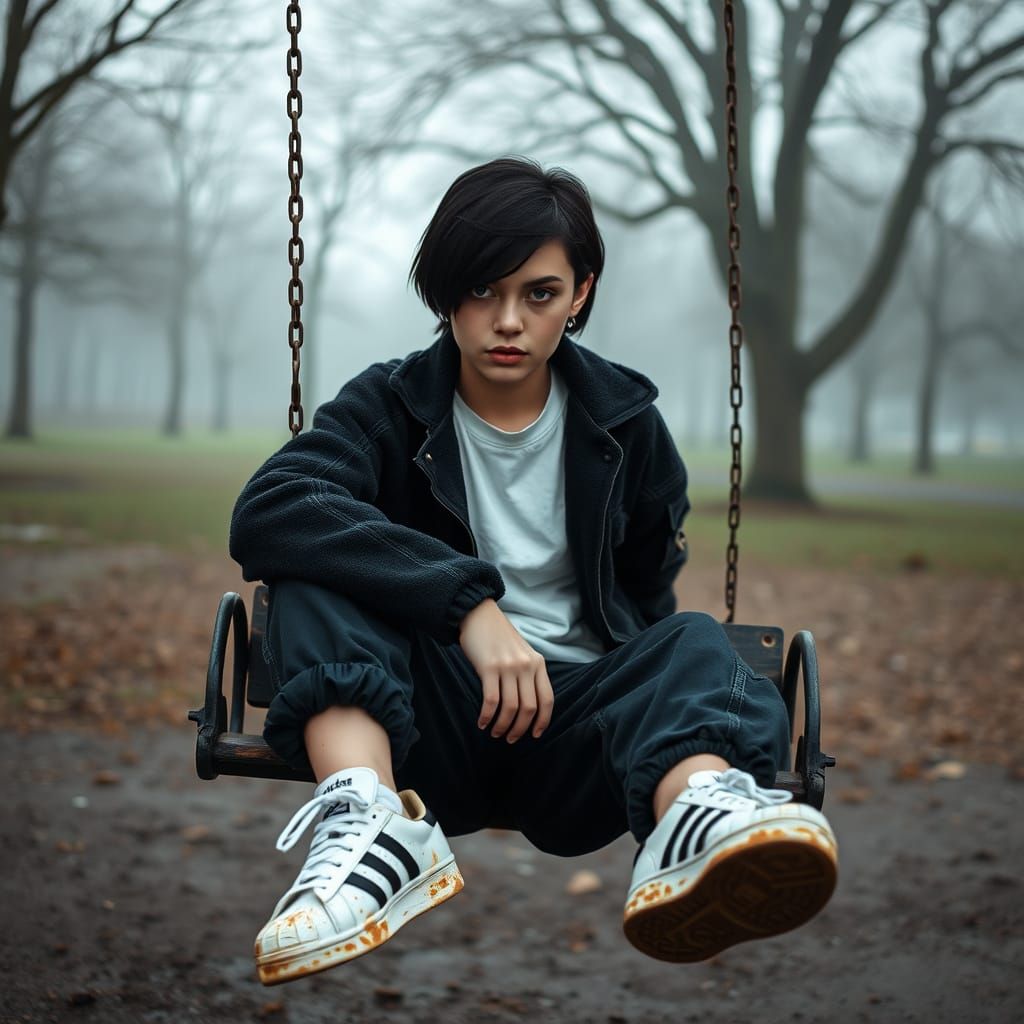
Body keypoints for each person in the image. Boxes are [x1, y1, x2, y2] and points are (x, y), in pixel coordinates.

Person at [230, 157, 838, 987]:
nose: (506, 321)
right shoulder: (390, 404)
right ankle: (371, 826)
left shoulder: (626, 425)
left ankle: (697, 820)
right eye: (482, 291)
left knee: (691, 640)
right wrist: (469, 608)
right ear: (446, 293)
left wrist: (626, 678)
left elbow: (648, 586)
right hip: (424, 729)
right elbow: (272, 508)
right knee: (314, 573)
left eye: (539, 293)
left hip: (577, 737)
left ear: (580, 292)